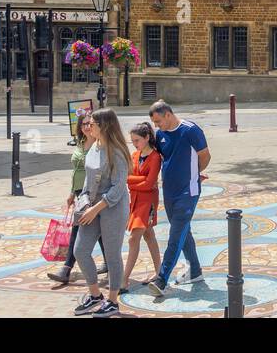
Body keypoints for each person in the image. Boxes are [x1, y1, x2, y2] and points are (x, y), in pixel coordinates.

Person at [71, 108, 131, 317]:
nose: (89, 126)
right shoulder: (94, 146)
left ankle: (113, 301)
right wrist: (85, 202)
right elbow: (88, 179)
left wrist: (96, 208)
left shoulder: (117, 152)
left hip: (113, 208)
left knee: (112, 254)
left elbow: (118, 187)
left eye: (93, 123)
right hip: (92, 206)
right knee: (80, 250)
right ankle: (95, 295)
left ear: (103, 126)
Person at [147, 99, 210, 296]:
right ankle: (195, 271)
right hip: (169, 192)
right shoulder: (160, 134)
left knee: (175, 235)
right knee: (184, 231)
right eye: (154, 123)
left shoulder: (191, 130)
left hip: (188, 192)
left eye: (159, 121)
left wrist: (194, 173)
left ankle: (161, 279)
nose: (157, 126)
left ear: (168, 114)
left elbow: (205, 155)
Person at [48, 111, 106, 285]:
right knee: (99, 232)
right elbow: (75, 171)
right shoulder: (80, 143)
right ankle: (110, 263)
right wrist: (72, 193)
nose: (87, 126)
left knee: (78, 227)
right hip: (79, 192)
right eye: (84, 124)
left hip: (92, 193)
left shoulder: (99, 144)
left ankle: (66, 268)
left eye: (90, 123)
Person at [119, 122, 162, 293]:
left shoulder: (156, 157)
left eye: (137, 140)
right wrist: (139, 181)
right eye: (133, 141)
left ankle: (124, 280)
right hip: (136, 200)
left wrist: (133, 181)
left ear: (147, 138)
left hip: (148, 202)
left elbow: (150, 183)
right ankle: (160, 272)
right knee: (149, 236)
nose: (134, 144)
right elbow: (129, 178)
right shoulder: (135, 155)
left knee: (133, 238)